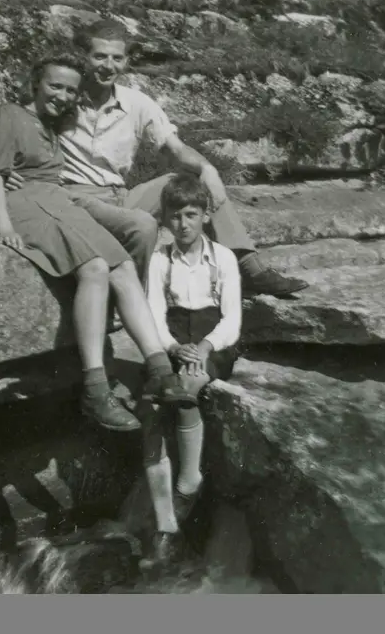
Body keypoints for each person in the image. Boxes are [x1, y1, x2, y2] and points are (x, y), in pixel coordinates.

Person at [3, 18, 308, 297]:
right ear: (84, 57)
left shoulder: (137, 103)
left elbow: (176, 149)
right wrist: (5, 170)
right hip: (72, 198)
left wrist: (207, 168)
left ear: (126, 62)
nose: (108, 66)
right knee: (139, 226)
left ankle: (248, 269)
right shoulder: (62, 95)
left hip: (120, 197)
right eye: (99, 56)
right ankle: (132, 297)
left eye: (117, 58)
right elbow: (15, 131)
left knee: (193, 183)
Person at [0, 54, 193, 433]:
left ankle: (159, 370)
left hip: (58, 200)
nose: (62, 95)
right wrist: (4, 227)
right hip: (26, 204)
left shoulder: (53, 125)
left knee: (123, 265)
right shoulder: (8, 114)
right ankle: (95, 389)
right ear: (35, 84)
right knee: (93, 269)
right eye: (54, 86)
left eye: (70, 90)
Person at [136, 173, 242, 573]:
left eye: (191, 215)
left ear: (206, 216)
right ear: (165, 219)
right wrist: (171, 346)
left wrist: (205, 348)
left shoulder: (224, 259)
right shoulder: (161, 260)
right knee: (150, 407)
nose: (182, 224)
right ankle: (165, 520)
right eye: (175, 216)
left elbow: (232, 320)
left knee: (187, 388)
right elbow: (152, 314)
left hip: (213, 342)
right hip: (175, 343)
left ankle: (190, 479)